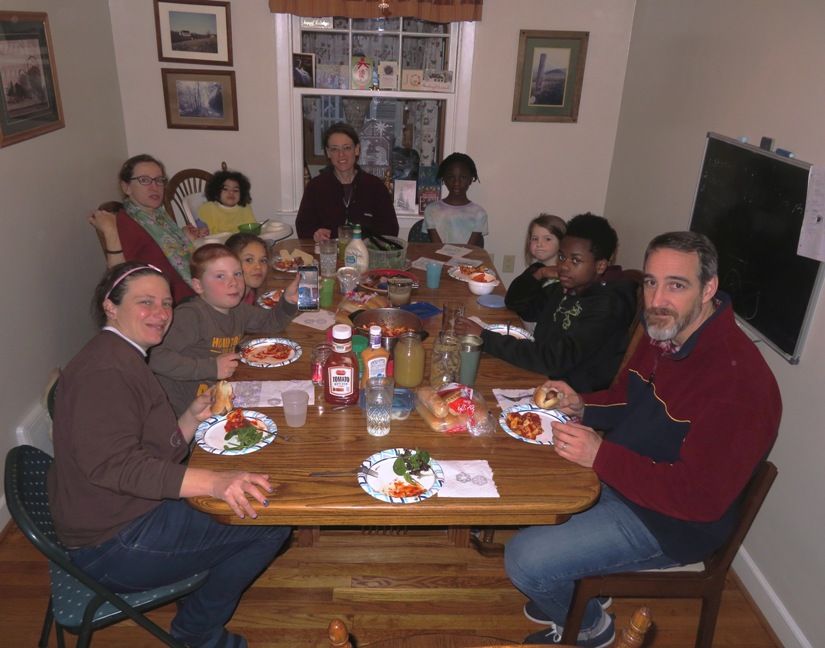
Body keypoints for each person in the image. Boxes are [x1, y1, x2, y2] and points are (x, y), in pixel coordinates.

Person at [504, 231, 782, 647]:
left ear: (709, 288)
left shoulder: (740, 385)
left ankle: (592, 627)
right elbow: (627, 401)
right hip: (626, 474)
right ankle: (572, 588)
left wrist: (601, 456)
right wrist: (582, 406)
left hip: (671, 522)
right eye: (651, 282)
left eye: (676, 284)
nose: (656, 299)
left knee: (524, 559)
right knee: (527, 487)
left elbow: (700, 500)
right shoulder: (665, 333)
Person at [47, 262, 291, 648]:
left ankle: (198, 587)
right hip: (113, 543)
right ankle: (198, 633)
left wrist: (190, 418)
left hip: (120, 515)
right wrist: (214, 481)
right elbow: (118, 465)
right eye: (145, 302)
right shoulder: (105, 371)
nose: (161, 313)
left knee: (244, 506)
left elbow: (138, 448)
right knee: (268, 518)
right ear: (111, 306)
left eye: (165, 303)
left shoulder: (121, 353)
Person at [456, 214, 637, 394]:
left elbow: (553, 360)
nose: (564, 266)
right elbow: (520, 306)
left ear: (600, 266)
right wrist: (539, 274)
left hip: (571, 395)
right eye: (562, 257)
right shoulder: (573, 284)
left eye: (576, 260)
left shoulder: (607, 307)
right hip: (543, 372)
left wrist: (485, 337)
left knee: (471, 385)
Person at [150, 244, 298, 415]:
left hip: (217, 399)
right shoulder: (191, 315)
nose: (233, 282)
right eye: (220, 276)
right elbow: (155, 356)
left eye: (237, 274)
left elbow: (271, 322)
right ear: (198, 286)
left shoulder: (238, 310)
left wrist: (288, 301)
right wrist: (212, 368)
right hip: (183, 411)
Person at [89, 154, 200, 304]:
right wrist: (110, 231)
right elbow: (119, 276)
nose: (155, 187)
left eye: (159, 180)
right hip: (173, 301)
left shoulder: (157, 217)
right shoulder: (127, 223)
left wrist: (184, 238)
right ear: (126, 187)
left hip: (188, 290)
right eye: (144, 180)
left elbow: (162, 252)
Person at [295, 122, 399, 241]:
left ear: (357, 150)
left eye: (347, 148)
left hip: (366, 255)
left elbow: (390, 229)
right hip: (328, 254)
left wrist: (368, 243)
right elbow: (303, 226)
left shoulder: (375, 187)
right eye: (334, 149)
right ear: (328, 152)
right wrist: (315, 233)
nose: (341, 154)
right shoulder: (315, 186)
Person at [505, 213, 568, 327]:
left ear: (562, 243)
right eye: (535, 239)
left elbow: (529, 313)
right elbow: (510, 301)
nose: (539, 244)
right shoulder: (537, 268)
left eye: (547, 239)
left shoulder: (560, 280)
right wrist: (540, 274)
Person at [423, 152, 488, 246]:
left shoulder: (479, 213)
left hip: (466, 260)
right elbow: (437, 247)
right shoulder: (431, 210)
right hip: (438, 259)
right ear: (444, 179)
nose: (457, 183)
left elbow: (469, 249)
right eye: (451, 177)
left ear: (470, 179)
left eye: (463, 177)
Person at [197, 169, 256, 235]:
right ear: (216, 191)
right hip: (218, 243)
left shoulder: (244, 208)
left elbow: (253, 229)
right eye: (225, 189)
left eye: (235, 190)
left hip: (240, 242)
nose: (231, 193)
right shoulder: (208, 208)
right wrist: (201, 230)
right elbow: (199, 223)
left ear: (242, 193)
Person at [225, 232, 269, 305]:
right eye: (249, 260)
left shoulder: (251, 294)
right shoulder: (227, 305)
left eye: (263, 260)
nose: (258, 266)